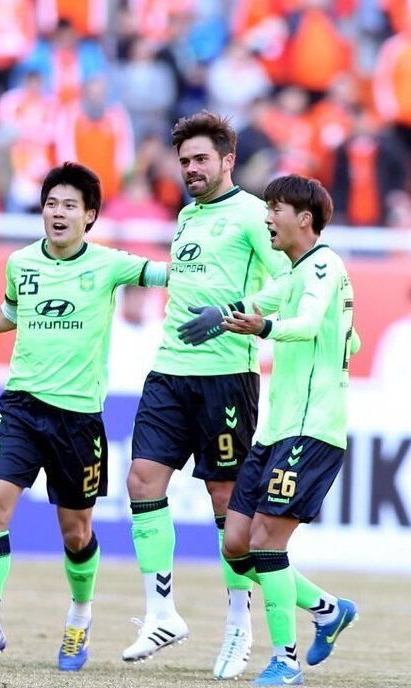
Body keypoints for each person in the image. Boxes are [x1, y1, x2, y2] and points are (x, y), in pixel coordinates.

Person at [0, 162, 168, 671]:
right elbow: (9, 314)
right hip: (21, 406)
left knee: (76, 533)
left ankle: (79, 619)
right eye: (51, 203)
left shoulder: (109, 264)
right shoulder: (21, 262)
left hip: (79, 418)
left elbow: (168, 274)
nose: (58, 212)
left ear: (89, 215)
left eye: (70, 205)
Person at [122, 110, 290, 679]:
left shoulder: (253, 216)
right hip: (169, 369)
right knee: (142, 480)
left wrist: (231, 313)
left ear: (228, 160)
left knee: (226, 502)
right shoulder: (186, 215)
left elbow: (288, 282)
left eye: (201, 159)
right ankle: (161, 613)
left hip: (226, 376)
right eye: (185, 160)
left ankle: (240, 626)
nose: (191, 168)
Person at [180, 174, 360, 686]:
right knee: (236, 544)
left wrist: (263, 328)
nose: (267, 218)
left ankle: (285, 659)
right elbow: (265, 301)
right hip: (275, 430)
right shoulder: (299, 270)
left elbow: (304, 323)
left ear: (304, 218)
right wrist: (222, 315)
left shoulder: (324, 265)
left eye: (275, 209)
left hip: (311, 429)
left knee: (266, 543)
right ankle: (328, 610)